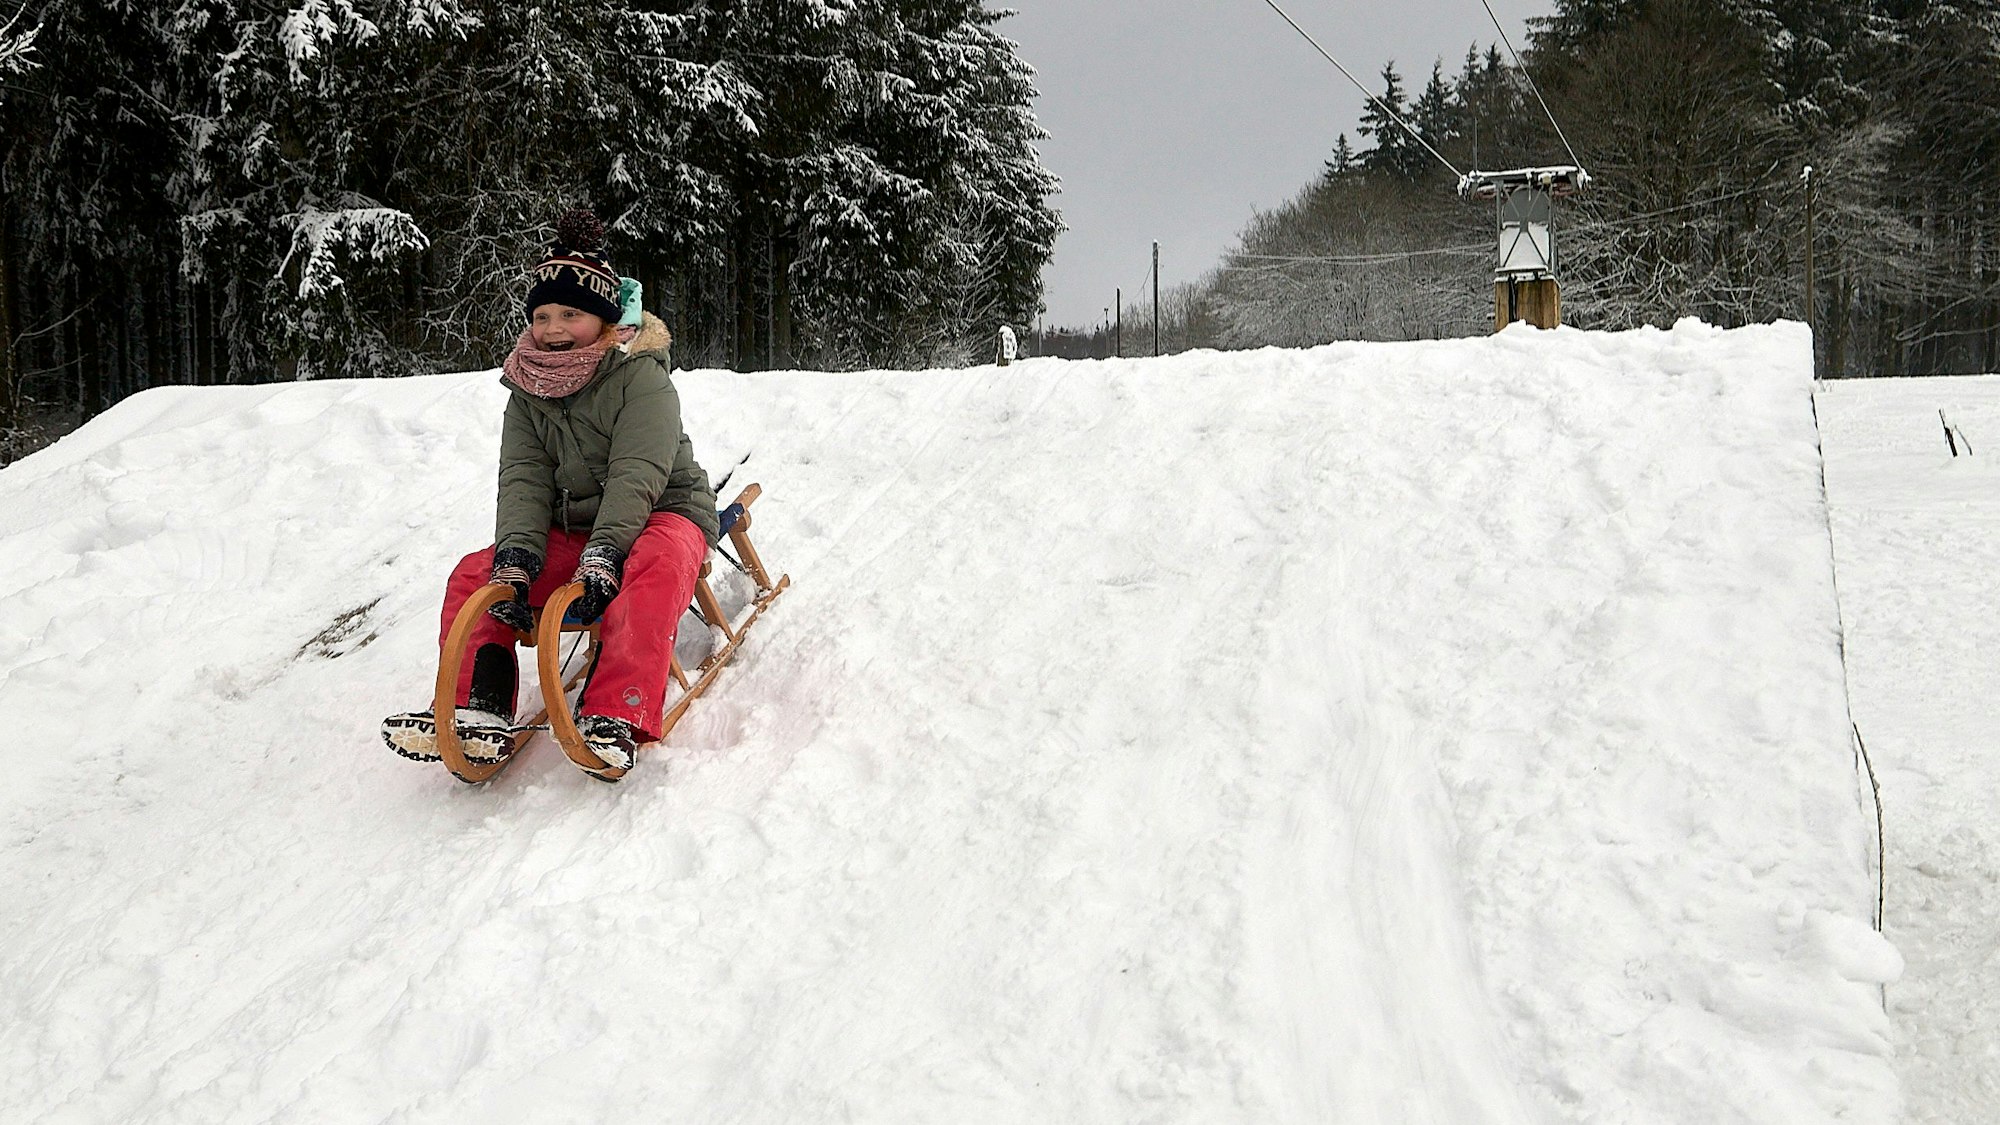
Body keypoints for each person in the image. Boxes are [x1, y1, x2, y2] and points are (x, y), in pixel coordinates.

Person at [382, 209, 719, 780]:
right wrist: (517, 559)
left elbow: (637, 472)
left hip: (662, 511)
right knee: (475, 575)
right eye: (542, 315)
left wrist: (606, 554)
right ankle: (477, 706)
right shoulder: (526, 388)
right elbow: (523, 477)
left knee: (655, 564)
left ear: (607, 319)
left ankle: (617, 713)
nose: (554, 327)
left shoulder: (641, 378)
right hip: (580, 527)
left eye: (572, 313)